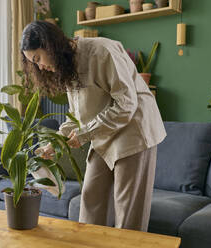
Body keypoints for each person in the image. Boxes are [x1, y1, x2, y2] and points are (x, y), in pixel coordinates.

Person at [20, 20, 166, 232]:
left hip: (135, 129)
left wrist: (84, 133)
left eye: (37, 58)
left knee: (128, 213)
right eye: (33, 63)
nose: (39, 66)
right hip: (105, 131)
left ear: (49, 45)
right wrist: (54, 143)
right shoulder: (66, 67)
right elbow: (75, 117)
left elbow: (127, 104)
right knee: (91, 200)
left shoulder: (101, 51)